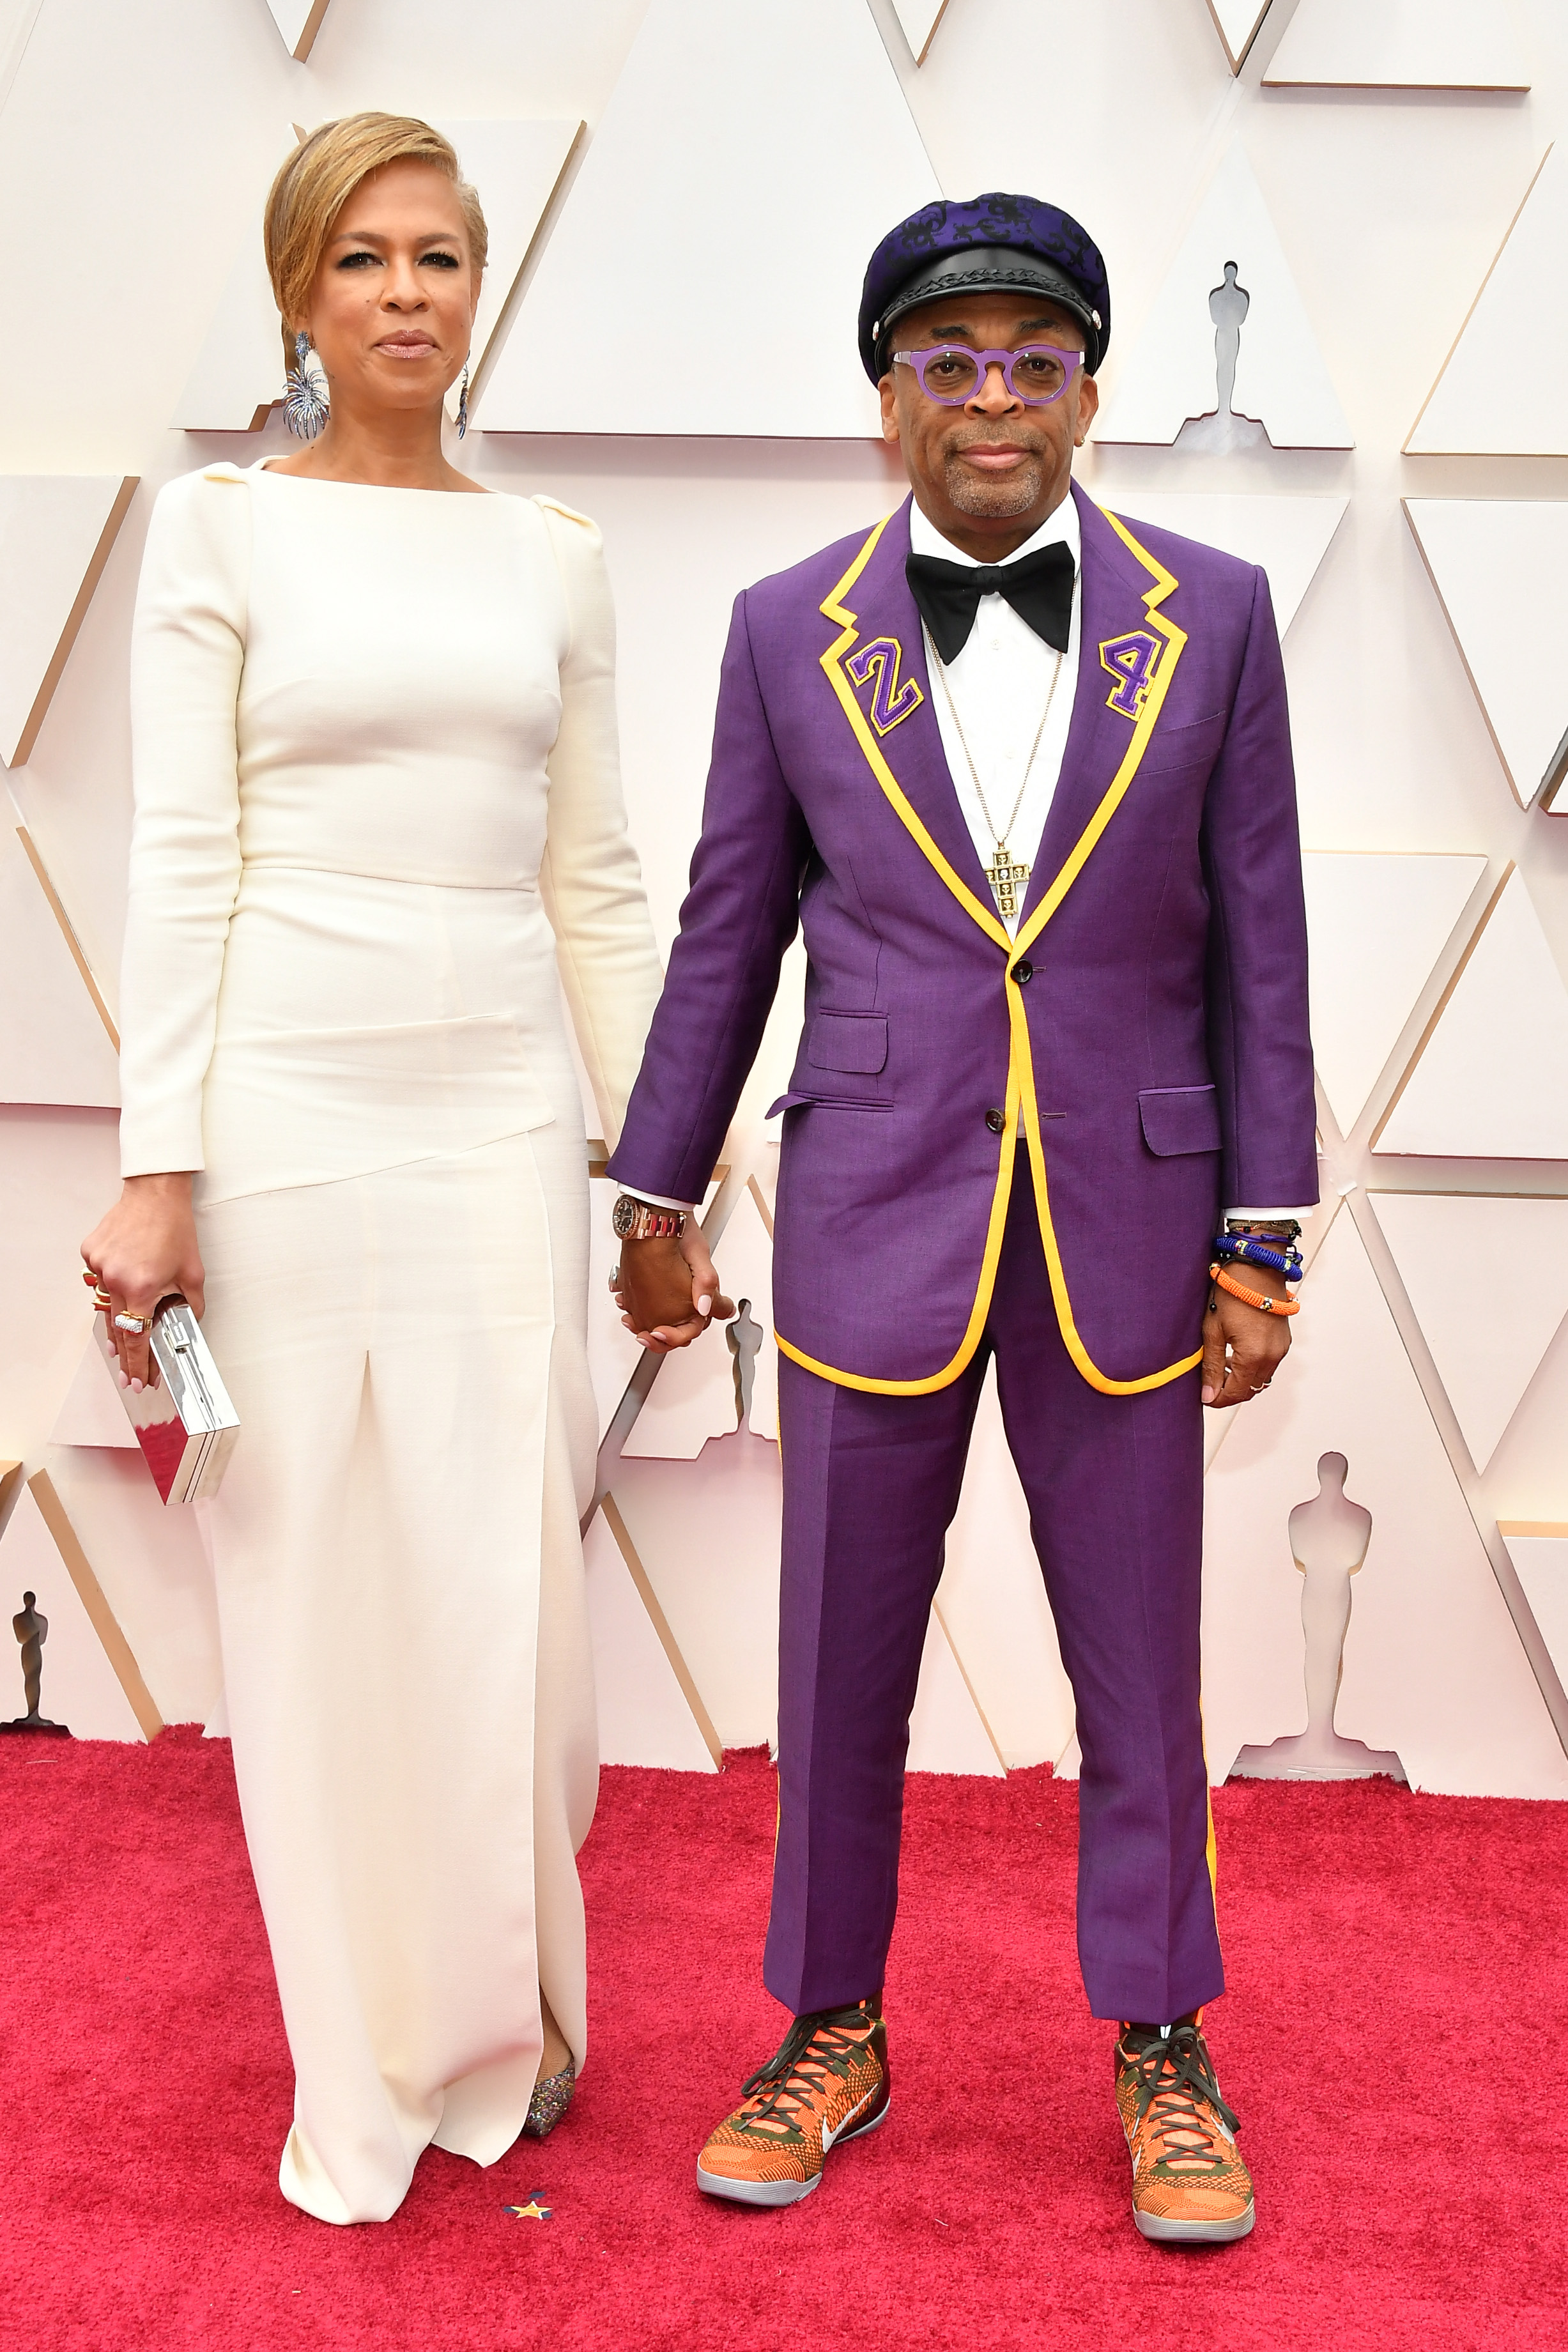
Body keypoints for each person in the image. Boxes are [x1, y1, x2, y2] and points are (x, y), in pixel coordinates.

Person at [608, 193, 1317, 2244]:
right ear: (887, 397)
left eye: (1033, 361)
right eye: (949, 362)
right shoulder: (784, 629)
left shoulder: (1216, 614)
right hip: (872, 1201)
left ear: (1088, 391)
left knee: (1142, 1670)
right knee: (839, 1657)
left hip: (1136, 1218)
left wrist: (1264, 1233)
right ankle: (828, 2024)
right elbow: (728, 929)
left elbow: (1261, 946)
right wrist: (656, 1191)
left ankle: (1164, 2040)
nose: (991, 397)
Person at [82, 112, 664, 2225]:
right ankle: (364, 2059)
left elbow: (597, 880)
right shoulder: (219, 531)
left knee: (506, 1579)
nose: (406, 292)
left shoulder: (556, 556)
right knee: (316, 1589)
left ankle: (508, 2014)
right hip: (286, 1113)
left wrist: (658, 1172)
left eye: (438, 255)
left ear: (478, 288)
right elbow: (181, 857)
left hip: (499, 1111)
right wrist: (160, 1164)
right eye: (362, 258)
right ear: (297, 297)